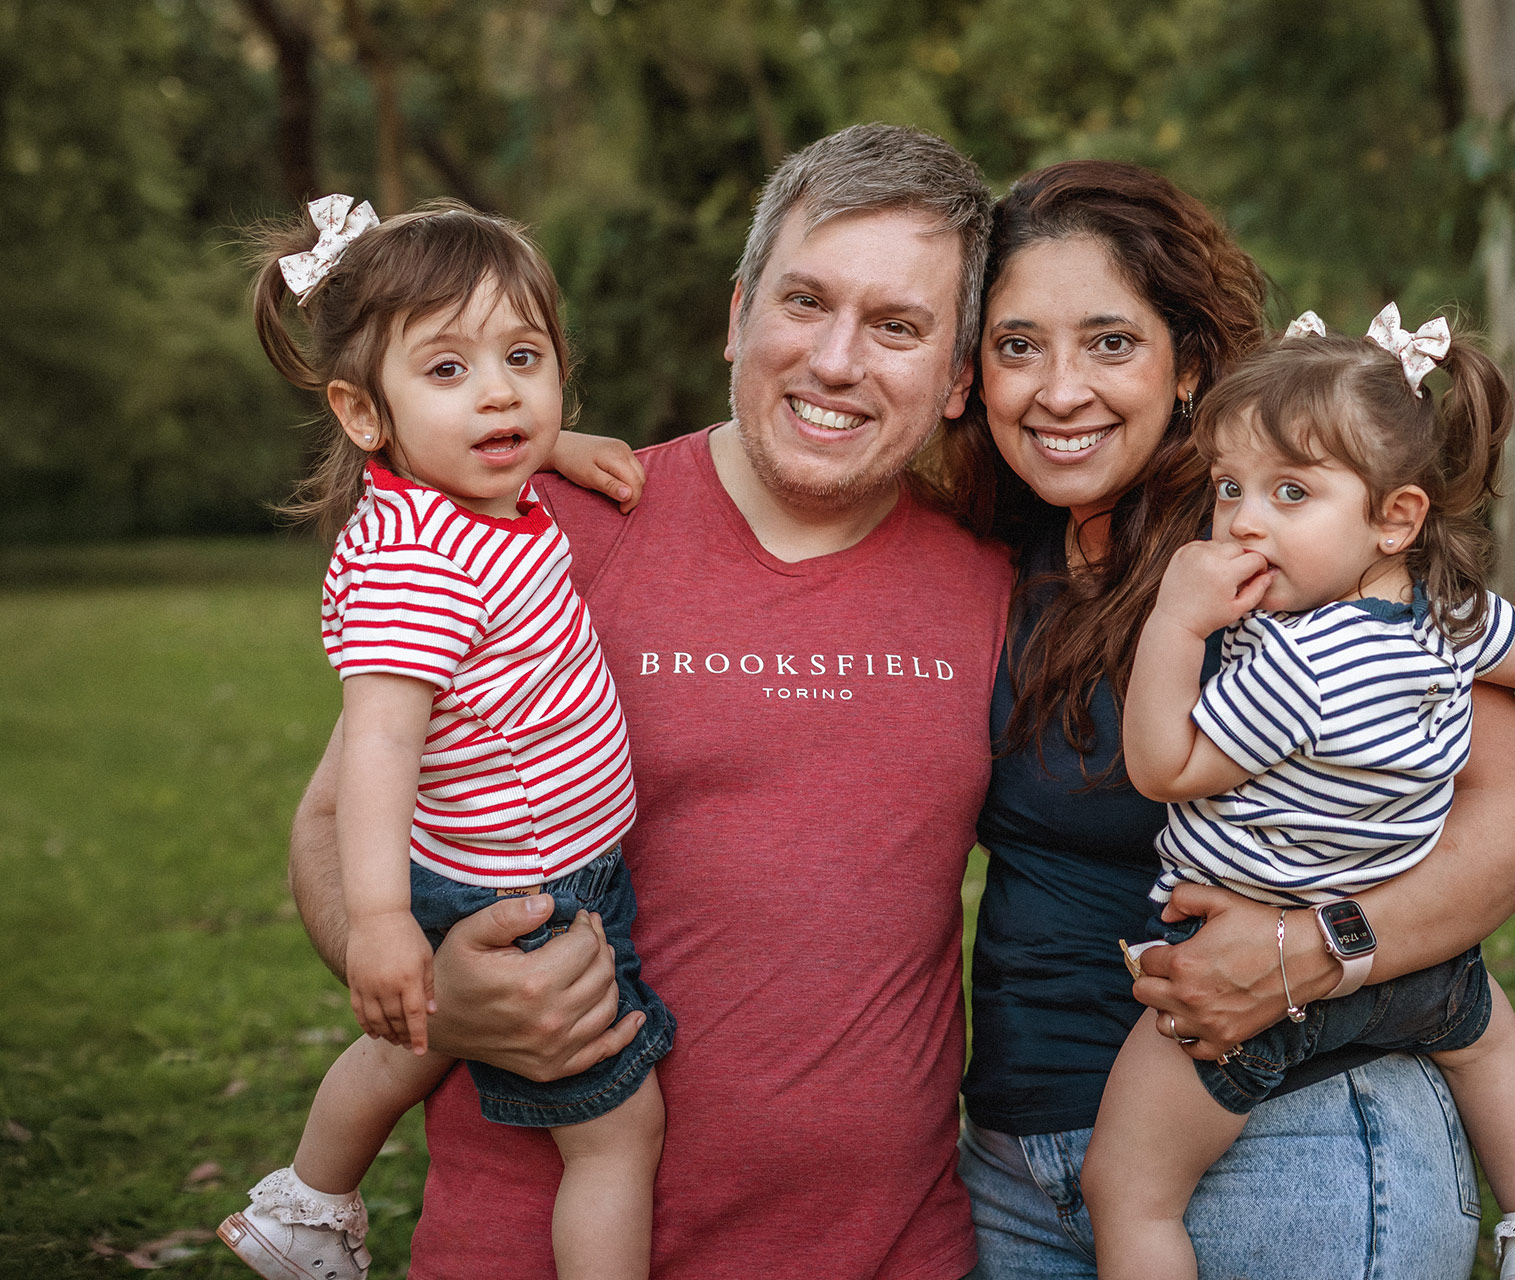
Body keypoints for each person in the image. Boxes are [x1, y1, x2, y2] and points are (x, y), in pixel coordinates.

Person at [285, 124, 1016, 1279]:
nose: (835, 360)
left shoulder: (996, 588)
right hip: (519, 1244)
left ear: (961, 375)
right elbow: (332, 826)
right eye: (804, 301)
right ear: (737, 314)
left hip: (890, 1249)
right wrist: (437, 1001)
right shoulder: (535, 535)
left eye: (897, 326)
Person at [936, 161, 1515, 1279]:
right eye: (1018, 345)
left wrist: (1308, 952)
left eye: (1111, 341)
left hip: (1291, 1130)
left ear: (1191, 364)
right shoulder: (997, 555)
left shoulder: (1294, 559)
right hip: (1017, 1158)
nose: (1060, 388)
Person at [1086, 312, 1515, 1280]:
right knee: (1487, 1042)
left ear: (1394, 516)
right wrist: (1461, 620)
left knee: (1127, 1183)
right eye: (1230, 487)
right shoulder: (1448, 617)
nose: (1243, 519)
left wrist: (1176, 620)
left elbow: (1165, 764)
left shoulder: (1293, 661)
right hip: (1420, 961)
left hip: (1258, 974)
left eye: (1291, 492)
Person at [220, 197, 672, 1280]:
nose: (500, 392)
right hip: (523, 894)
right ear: (364, 413)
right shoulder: (415, 563)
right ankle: (309, 1206)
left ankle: (306, 1206)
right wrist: (378, 920)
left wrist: (554, 443)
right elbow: (378, 750)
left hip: (501, 867)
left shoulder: (477, 498)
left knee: (405, 1048)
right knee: (619, 1130)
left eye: (523, 356)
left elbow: (497, 423)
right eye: (448, 370)